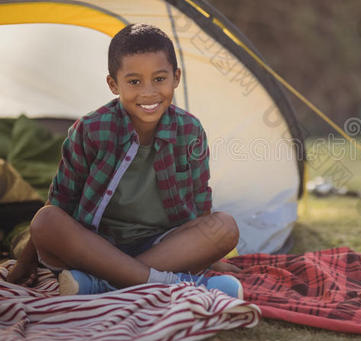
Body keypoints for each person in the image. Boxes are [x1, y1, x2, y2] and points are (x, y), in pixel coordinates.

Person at [6, 24, 243, 297]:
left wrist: (210, 255)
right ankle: (171, 283)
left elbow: (201, 199)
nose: (148, 92)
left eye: (159, 79)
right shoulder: (91, 130)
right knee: (46, 220)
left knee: (224, 226)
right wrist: (23, 267)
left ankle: (102, 285)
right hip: (94, 246)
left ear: (176, 78)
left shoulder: (190, 131)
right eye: (134, 82)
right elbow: (61, 201)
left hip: (162, 246)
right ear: (113, 84)